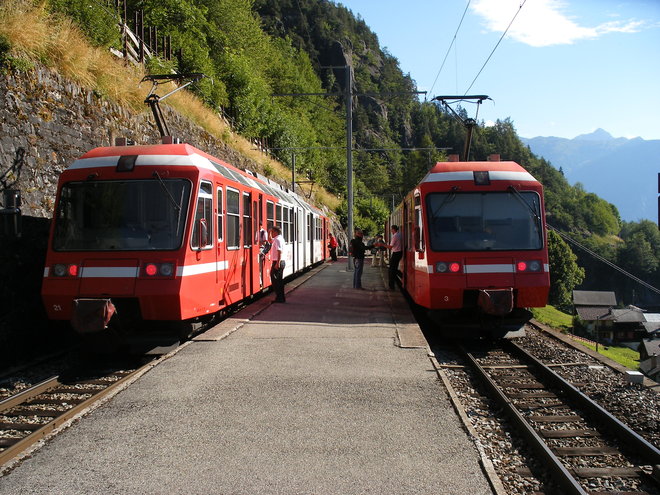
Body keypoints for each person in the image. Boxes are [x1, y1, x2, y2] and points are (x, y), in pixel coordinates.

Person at [269, 226, 287, 302]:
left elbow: (279, 251)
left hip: (278, 261)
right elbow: (270, 240)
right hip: (279, 261)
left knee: (276, 280)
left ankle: (280, 298)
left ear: (276, 232)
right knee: (278, 280)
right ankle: (280, 298)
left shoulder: (277, 240)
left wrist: (277, 263)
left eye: (272, 232)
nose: (272, 233)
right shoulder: (279, 238)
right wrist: (269, 232)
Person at [383, 225, 402, 290]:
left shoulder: (395, 236)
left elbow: (390, 247)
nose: (391, 231)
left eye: (391, 229)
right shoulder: (400, 234)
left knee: (391, 270)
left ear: (393, 229)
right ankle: (401, 276)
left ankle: (391, 286)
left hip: (396, 253)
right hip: (399, 253)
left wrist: (382, 244)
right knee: (393, 268)